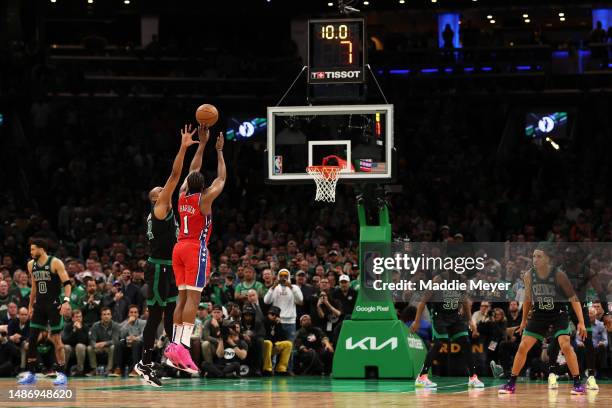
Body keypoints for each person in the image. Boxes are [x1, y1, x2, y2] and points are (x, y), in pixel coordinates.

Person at [135, 124, 199, 387]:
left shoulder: (169, 209)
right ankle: (145, 362)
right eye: (159, 191)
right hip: (159, 267)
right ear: (154, 199)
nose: (165, 191)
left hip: (169, 266)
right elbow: (176, 175)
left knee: (171, 309)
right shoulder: (160, 208)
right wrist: (182, 147)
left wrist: (202, 146)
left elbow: (191, 175)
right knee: (156, 314)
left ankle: (174, 354)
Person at [165, 130, 225, 374]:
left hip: (178, 247)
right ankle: (183, 346)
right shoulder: (205, 199)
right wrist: (219, 151)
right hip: (195, 249)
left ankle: (173, 349)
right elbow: (221, 179)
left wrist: (202, 145)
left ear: (188, 183)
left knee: (181, 298)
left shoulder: (181, 196)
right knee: (194, 299)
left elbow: (193, 169)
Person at [499, 245, 587, 395]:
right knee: (522, 346)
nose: (535, 259)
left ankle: (578, 383)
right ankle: (511, 383)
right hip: (539, 314)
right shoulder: (528, 275)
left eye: (539, 256)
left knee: (565, 345)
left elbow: (574, 298)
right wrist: (523, 321)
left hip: (558, 313)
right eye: (533, 256)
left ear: (547, 258)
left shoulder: (559, 274)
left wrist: (581, 322)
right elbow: (527, 299)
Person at [547, 245, 608, 391]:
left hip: (580, 308)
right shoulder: (560, 271)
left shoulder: (587, 271)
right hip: (563, 308)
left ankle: (591, 377)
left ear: (578, 257)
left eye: (570, 255)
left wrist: (606, 313)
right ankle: (552, 374)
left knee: (588, 340)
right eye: (566, 255)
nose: (567, 258)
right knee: (556, 340)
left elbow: (601, 292)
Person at [410, 270, 483, 389]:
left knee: (465, 341)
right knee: (440, 343)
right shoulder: (438, 280)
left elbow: (464, 302)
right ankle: (422, 376)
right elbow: (422, 302)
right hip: (440, 316)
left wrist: (470, 321)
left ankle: (473, 377)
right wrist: (417, 321)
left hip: (455, 316)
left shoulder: (461, 281)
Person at [18, 238, 72, 386]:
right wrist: (30, 306)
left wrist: (66, 301)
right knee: (32, 340)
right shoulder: (31, 265)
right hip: (39, 306)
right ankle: (31, 373)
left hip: (54, 305)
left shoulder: (55, 262)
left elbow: (67, 283)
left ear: (41, 249)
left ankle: (61, 373)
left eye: (33, 249)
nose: (31, 252)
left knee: (56, 340)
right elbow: (34, 287)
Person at [263, 268, 303, 343]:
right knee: (276, 346)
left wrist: (290, 287)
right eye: (281, 276)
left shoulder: (295, 287)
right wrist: (272, 288)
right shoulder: (275, 288)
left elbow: (300, 301)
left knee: (290, 346)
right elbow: (266, 301)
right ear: (278, 277)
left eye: (285, 276)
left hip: (290, 322)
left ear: (288, 277)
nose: (283, 278)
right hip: (277, 321)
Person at [87, 307, 120, 376]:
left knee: (113, 347)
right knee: (89, 348)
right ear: (101, 316)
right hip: (98, 347)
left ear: (111, 316)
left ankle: (109, 369)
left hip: (109, 347)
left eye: (108, 314)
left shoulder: (115, 325)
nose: (106, 316)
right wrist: (95, 345)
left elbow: (115, 340)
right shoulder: (95, 325)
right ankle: (94, 369)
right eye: (104, 314)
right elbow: (92, 340)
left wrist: (105, 343)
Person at [262, 306, 292, 376]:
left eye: (276, 315)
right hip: (263, 347)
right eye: (272, 314)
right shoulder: (263, 321)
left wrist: (279, 324)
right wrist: (274, 344)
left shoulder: (276, 323)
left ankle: (281, 369)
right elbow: (263, 336)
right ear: (268, 314)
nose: (274, 316)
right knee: (268, 343)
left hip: (273, 346)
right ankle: (267, 369)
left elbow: (283, 338)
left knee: (288, 344)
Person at [62, 309, 89, 376]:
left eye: (80, 317)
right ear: (73, 318)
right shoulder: (68, 326)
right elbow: (65, 340)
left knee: (80, 346)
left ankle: (80, 370)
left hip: (81, 349)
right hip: (71, 349)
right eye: (76, 317)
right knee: (66, 347)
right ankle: (63, 369)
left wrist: (79, 330)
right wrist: (74, 331)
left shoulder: (85, 326)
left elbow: (86, 341)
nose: (78, 319)